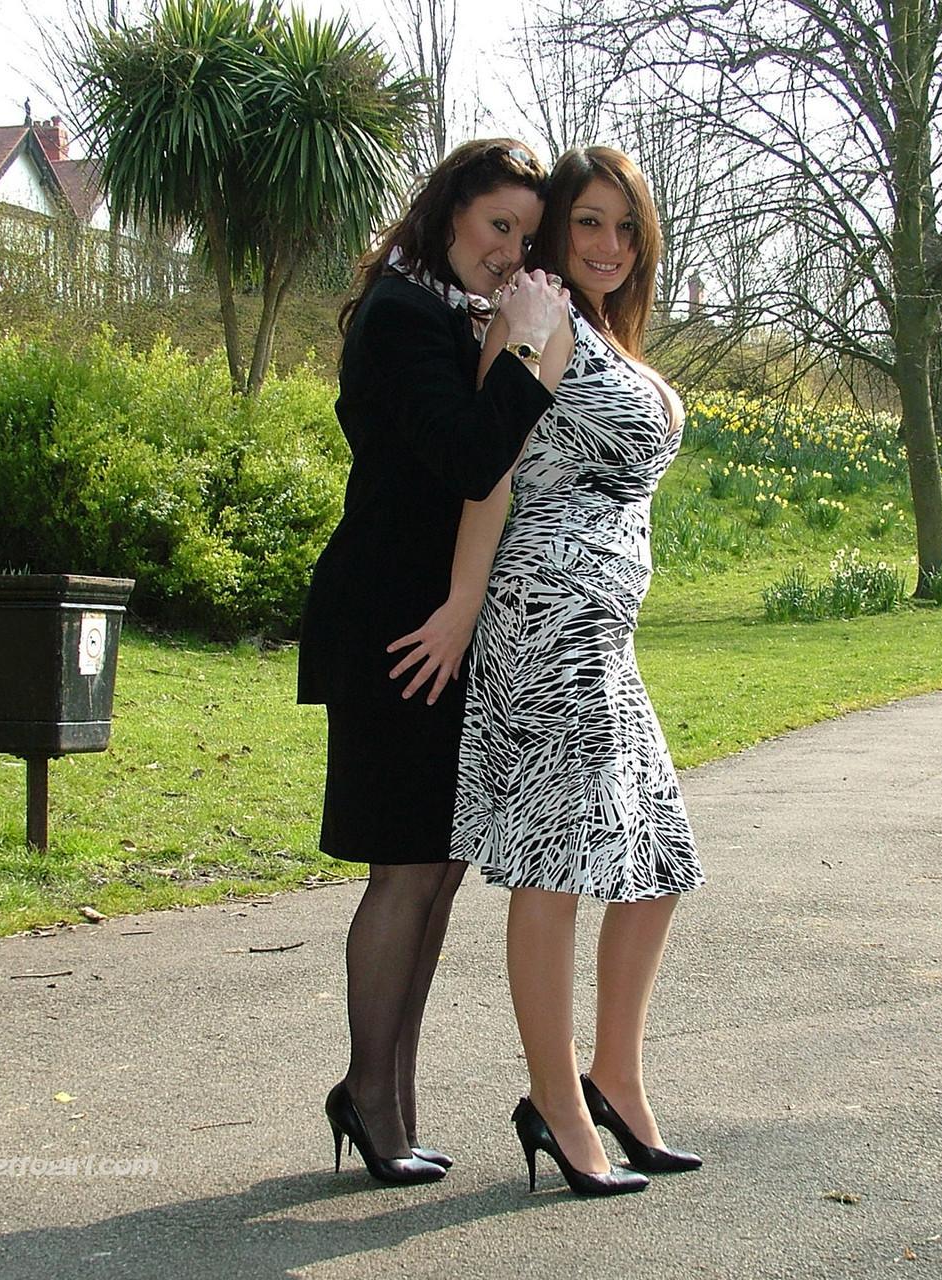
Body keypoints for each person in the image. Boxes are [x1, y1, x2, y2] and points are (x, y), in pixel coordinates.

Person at [400, 146, 706, 1196]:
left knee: (656, 856)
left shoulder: (604, 335)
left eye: (625, 228)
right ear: (552, 233)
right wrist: (459, 603)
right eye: (586, 223)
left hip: (602, 639)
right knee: (556, 863)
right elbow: (488, 473)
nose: (607, 247)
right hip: (546, 625)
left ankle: (612, 1076)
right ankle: (558, 1104)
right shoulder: (535, 315)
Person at [296, 140, 569, 1186]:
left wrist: (507, 339)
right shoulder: (401, 317)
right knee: (405, 867)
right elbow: (466, 457)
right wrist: (529, 350)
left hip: (435, 621)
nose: (511, 253)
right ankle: (370, 1096)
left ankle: (386, 1094)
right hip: (393, 624)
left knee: (437, 865)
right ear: (449, 212)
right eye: (497, 226)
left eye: (524, 238)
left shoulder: (445, 313)